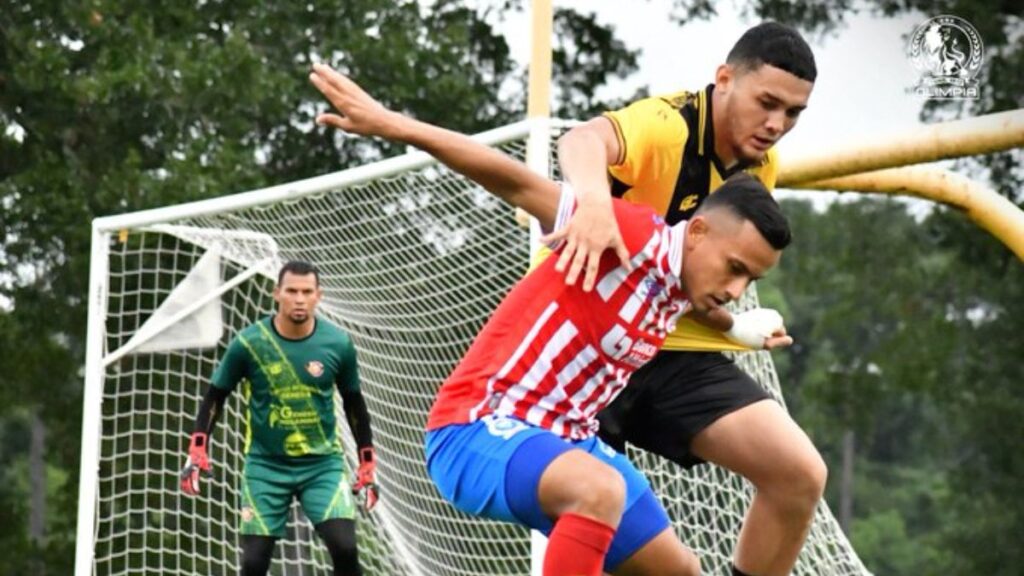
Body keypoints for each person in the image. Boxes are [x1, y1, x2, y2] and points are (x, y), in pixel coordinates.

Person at [309, 62, 793, 576]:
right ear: (695, 233)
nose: (737, 289)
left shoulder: (685, 280)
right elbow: (515, 182)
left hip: (567, 438)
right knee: (599, 490)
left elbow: (701, 305)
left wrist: (737, 328)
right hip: (478, 431)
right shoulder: (624, 232)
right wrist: (395, 125)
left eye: (749, 279)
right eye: (735, 269)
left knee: (679, 571)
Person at [552, 22, 824, 576]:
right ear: (724, 79)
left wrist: (732, 324)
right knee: (643, 560)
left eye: (793, 113)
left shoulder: (760, 165)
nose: (776, 125)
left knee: (799, 475)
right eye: (767, 103)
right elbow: (579, 140)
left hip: (671, 351)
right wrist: (594, 204)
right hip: (585, 352)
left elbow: (694, 272)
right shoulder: (664, 126)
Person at [179, 260, 379, 576]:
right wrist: (198, 447)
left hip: (321, 464)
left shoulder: (338, 343)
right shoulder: (248, 343)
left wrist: (367, 460)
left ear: (318, 296)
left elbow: (354, 403)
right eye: (292, 291)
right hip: (265, 467)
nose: (299, 299)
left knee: (345, 548)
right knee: (253, 563)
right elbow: (216, 395)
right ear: (276, 293)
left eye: (306, 292)